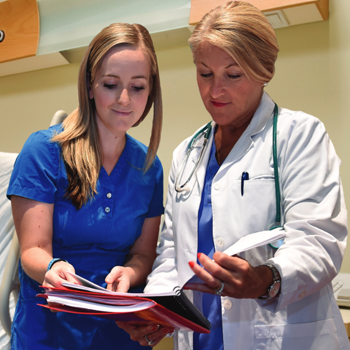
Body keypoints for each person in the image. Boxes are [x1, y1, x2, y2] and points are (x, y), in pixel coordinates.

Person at [116, 1, 350, 349]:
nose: (214, 91)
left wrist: (265, 280)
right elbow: (171, 252)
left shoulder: (299, 135)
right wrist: (158, 309)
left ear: (264, 70)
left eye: (233, 74)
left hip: (279, 336)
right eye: (205, 73)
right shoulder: (188, 153)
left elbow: (319, 239)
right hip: (201, 337)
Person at [7, 22, 164, 350]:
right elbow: (32, 252)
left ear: (150, 92)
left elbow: (143, 253)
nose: (124, 99)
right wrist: (52, 267)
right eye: (110, 84)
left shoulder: (149, 167)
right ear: (90, 86)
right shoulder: (44, 151)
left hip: (118, 331)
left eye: (137, 87)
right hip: (49, 329)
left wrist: (131, 274)